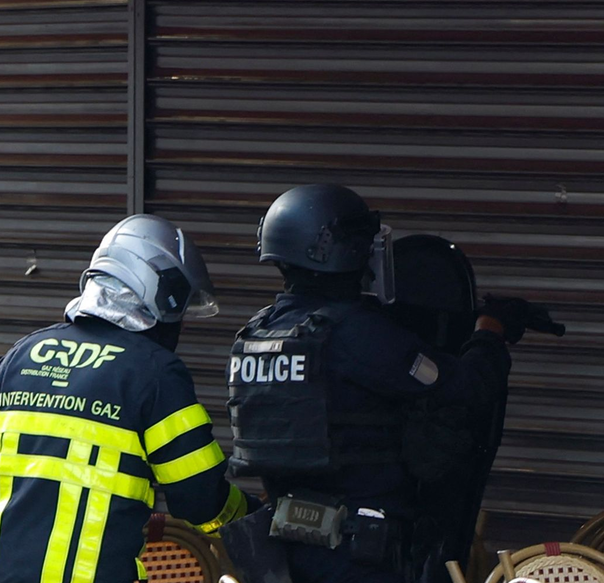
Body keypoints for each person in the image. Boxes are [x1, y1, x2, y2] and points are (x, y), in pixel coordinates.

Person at [223, 184, 552, 583]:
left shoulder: (256, 334)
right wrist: (489, 332)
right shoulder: (355, 334)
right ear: (341, 249)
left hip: (285, 548)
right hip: (359, 552)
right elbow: (465, 387)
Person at [0, 214, 257, 583]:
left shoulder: (25, 353)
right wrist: (251, 517)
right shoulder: (155, 373)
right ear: (160, 292)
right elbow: (198, 496)